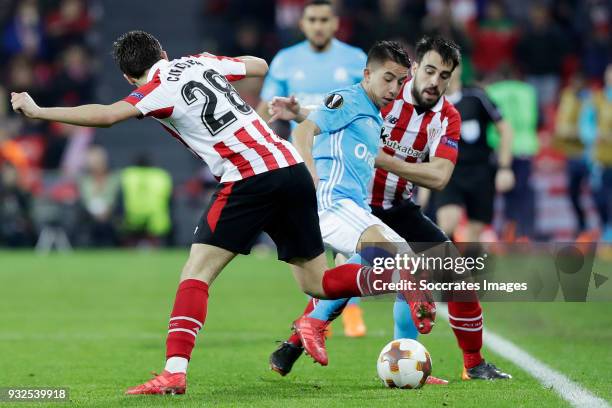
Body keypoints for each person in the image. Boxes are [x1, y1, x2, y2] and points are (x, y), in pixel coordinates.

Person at [11, 30, 424, 396]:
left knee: (196, 274)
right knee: (317, 284)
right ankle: (397, 274)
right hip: (290, 167)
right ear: (164, 51)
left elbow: (107, 115)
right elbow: (259, 65)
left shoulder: (153, 87)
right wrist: (214, 64)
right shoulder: (198, 62)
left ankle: (174, 372)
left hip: (248, 177)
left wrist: (39, 111)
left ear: (127, 76)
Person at [268, 36, 511, 381]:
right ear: (414, 69)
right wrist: (302, 114)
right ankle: (301, 338)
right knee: (381, 270)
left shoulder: (448, 118)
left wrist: (385, 159)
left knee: (455, 274)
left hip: (398, 206)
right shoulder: (388, 91)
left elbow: (440, 177)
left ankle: (473, 363)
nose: (434, 82)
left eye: (444, 75)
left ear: (453, 77)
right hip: (356, 202)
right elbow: (342, 112)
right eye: (429, 71)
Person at [266, 39, 437, 372]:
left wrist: (299, 110)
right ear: (367, 73)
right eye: (388, 78)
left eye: (400, 82)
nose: (394, 88)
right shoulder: (350, 97)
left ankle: (293, 346)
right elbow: (304, 131)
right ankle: (319, 326)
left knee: (385, 272)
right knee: (398, 255)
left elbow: (329, 121)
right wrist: (309, 175)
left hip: (353, 206)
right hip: (332, 200)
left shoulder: (371, 113)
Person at [258, 0, 369, 337]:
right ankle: (323, 315)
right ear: (302, 24)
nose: (318, 25)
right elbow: (268, 107)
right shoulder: (286, 60)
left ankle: (348, 315)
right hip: (303, 162)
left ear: (335, 23)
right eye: (312, 20)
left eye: (324, 19)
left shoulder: (355, 59)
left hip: (348, 162)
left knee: (353, 243)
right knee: (312, 242)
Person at [434, 65, 514, 242]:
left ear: (460, 69)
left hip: (480, 170)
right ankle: (447, 267)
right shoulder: (430, 101)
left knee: (475, 232)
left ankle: (471, 267)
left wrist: (505, 167)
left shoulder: (476, 96)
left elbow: (506, 129)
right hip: (449, 171)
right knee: (447, 223)